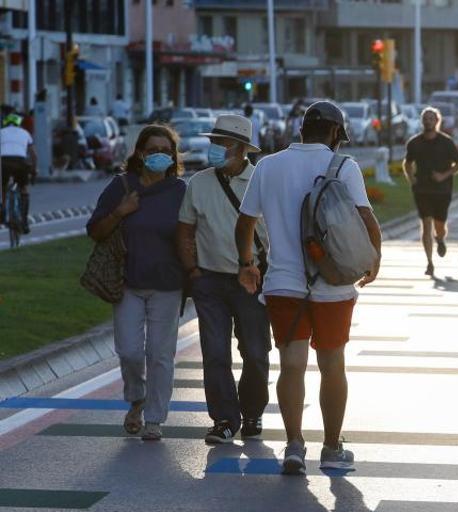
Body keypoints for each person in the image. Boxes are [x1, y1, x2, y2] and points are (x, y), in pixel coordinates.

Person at [235, 100, 381, 474]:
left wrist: (247, 264)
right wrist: (373, 259)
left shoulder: (268, 166)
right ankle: (331, 448)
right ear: (336, 134)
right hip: (332, 283)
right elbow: (366, 219)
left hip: (283, 283)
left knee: (292, 365)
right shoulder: (343, 166)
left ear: (300, 131)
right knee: (332, 365)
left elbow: (245, 223)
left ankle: (294, 445)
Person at [86, 125, 188, 442]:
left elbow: (192, 233)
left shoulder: (180, 191)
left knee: (160, 354)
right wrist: (120, 211)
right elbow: (96, 230)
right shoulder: (122, 186)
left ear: (173, 157)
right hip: (127, 282)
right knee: (129, 351)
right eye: (153, 150)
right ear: (140, 153)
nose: (159, 155)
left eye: (165, 151)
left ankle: (154, 418)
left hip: (168, 285)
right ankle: (136, 399)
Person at [176, 114, 272, 444]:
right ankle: (224, 419)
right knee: (215, 352)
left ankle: (253, 411)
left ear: (243, 149)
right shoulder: (199, 183)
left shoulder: (262, 181)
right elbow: (185, 230)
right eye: (214, 142)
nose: (216, 148)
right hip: (210, 282)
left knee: (256, 352)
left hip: (252, 282)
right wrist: (193, 271)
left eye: (224, 143)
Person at [403, 107, 458, 278]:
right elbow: (407, 163)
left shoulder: (446, 142)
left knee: (439, 226)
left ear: (437, 121)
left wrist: (443, 175)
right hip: (422, 189)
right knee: (426, 224)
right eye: (425, 118)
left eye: (431, 118)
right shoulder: (414, 143)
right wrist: (411, 178)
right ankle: (429, 262)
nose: (428, 121)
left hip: (442, 191)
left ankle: (441, 238)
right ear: (422, 121)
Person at [1, 114, 37, 233]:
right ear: (19, 124)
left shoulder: (1, 132)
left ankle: (3, 213)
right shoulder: (25, 133)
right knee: (24, 189)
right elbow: (33, 155)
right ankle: (25, 222)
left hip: (4, 162)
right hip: (20, 162)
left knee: (3, 187)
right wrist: (34, 170)